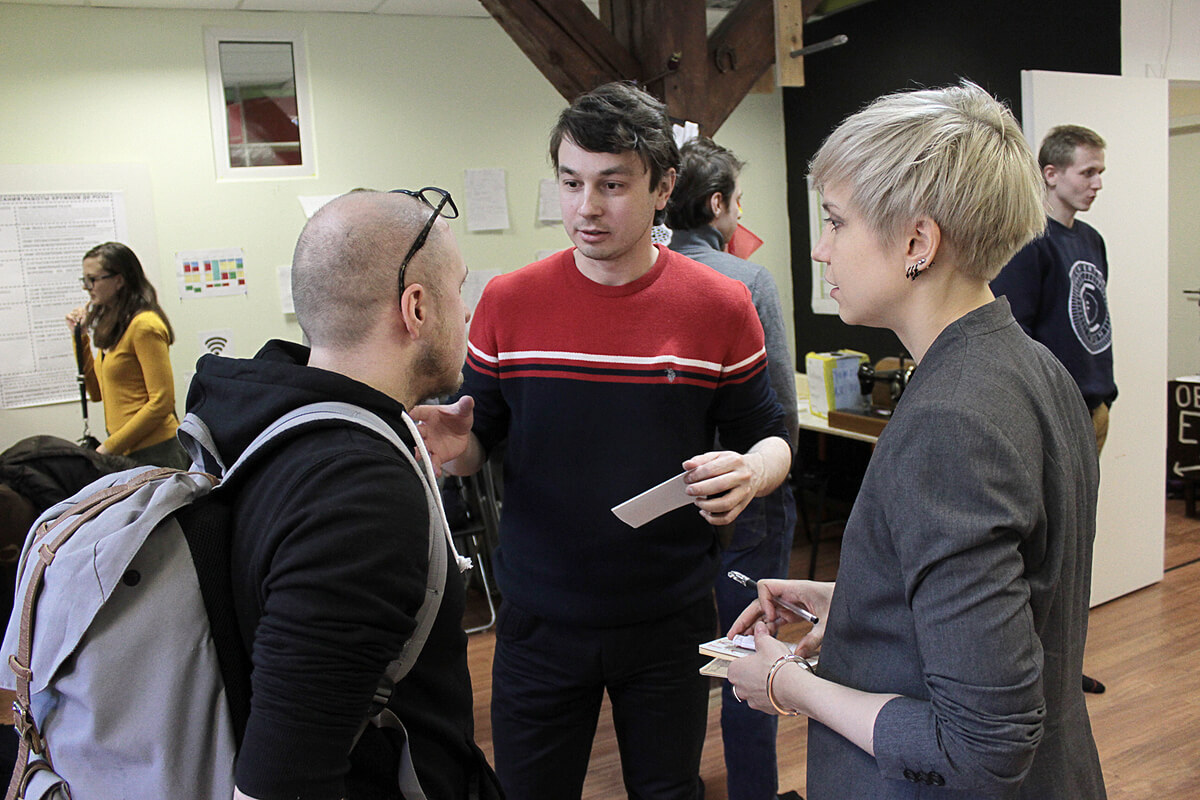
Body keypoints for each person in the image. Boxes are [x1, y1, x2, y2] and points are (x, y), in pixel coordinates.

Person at [726, 82, 1107, 799]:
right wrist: (856, 602)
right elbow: (1017, 600)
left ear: (917, 243)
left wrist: (784, 682)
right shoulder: (1032, 366)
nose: (821, 249)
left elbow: (983, 747)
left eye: (836, 222)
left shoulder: (951, 419)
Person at [412, 82, 792, 800]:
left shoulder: (719, 305)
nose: (586, 207)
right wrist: (455, 448)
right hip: (539, 616)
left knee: (668, 790)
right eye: (570, 182)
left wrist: (753, 470)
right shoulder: (509, 301)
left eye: (612, 185)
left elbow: (769, 435)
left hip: (668, 615)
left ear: (663, 188)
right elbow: (479, 439)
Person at [184, 189, 501, 800]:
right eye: (460, 290)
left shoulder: (272, 422)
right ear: (416, 308)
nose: (467, 312)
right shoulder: (360, 497)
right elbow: (283, 782)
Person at [666, 136, 800, 800]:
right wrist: (779, 466)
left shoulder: (643, 275)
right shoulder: (746, 280)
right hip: (747, 498)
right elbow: (779, 409)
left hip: (672, 502)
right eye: (737, 200)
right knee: (750, 648)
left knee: (677, 659)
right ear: (717, 204)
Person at [990, 124, 1112, 695]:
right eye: (1088, 172)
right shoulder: (1029, 244)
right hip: (1055, 416)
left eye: (1100, 172)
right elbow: (1018, 338)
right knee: (1044, 552)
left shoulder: (1091, 240)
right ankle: (1036, 670)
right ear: (1051, 173)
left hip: (1094, 407)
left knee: (1075, 544)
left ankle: (1064, 662)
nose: (1096, 183)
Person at [65, 241, 188, 468]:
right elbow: (96, 392)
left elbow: (162, 402)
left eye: (93, 279)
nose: (87, 287)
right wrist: (79, 337)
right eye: (85, 280)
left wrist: (107, 449)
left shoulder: (144, 325)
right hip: (126, 450)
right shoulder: (114, 325)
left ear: (119, 280)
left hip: (157, 450)